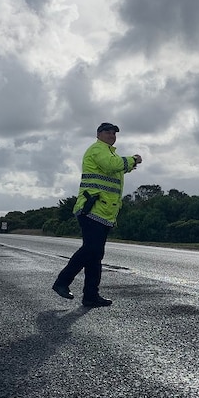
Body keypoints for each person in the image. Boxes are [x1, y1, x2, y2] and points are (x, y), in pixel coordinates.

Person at [52, 122, 142, 308]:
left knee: (95, 255)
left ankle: (91, 296)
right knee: (91, 250)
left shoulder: (109, 153)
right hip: (91, 209)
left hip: (103, 211)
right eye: (108, 132)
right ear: (98, 134)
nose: (112, 135)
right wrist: (133, 159)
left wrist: (129, 165)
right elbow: (112, 165)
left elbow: (116, 167)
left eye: (114, 133)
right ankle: (62, 282)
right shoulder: (97, 150)